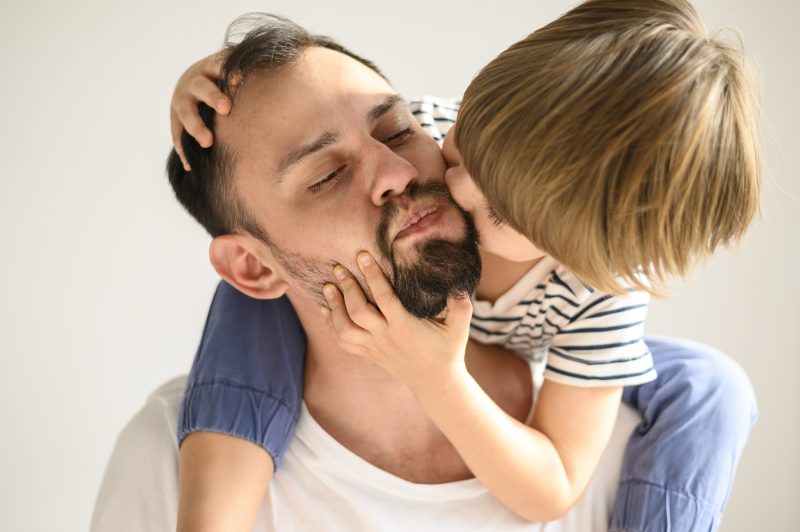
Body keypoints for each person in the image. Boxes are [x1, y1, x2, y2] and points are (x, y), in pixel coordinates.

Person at [96, 3, 757, 531]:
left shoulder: (597, 315)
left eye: (394, 133)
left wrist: (439, 378)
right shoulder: (158, 455)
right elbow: (296, 89)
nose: (414, 172)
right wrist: (204, 78)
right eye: (326, 174)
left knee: (713, 387)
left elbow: (551, 485)